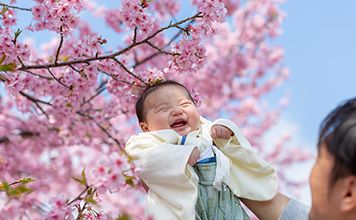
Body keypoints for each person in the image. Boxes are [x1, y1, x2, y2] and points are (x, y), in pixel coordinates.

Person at [125, 80, 280, 220]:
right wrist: (180, 155)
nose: (177, 111)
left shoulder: (204, 129)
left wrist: (225, 129)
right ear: (146, 128)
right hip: (181, 208)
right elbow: (141, 156)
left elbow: (233, 145)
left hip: (223, 204)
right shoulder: (147, 141)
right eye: (163, 109)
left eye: (184, 104)